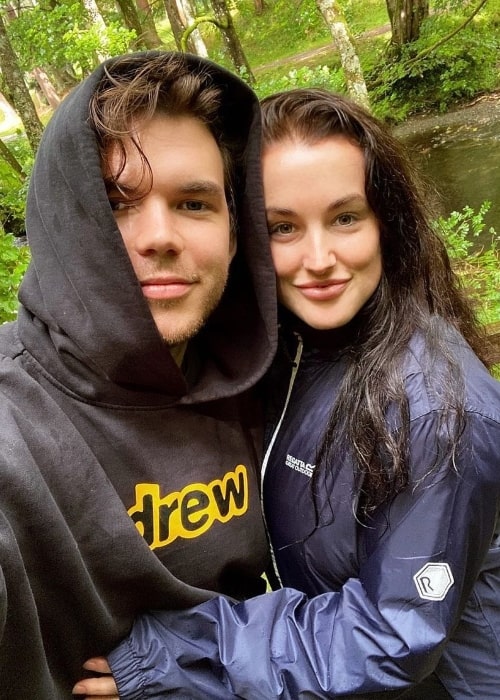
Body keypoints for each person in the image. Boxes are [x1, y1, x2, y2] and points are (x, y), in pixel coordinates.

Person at [77, 88, 500, 699]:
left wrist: (183, 656)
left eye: (346, 217)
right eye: (282, 227)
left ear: (388, 221)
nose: (319, 258)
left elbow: (392, 634)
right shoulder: (290, 347)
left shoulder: (439, 411)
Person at [0, 50, 277, 698]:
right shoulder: (16, 428)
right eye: (117, 203)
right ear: (62, 225)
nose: (160, 235)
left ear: (237, 234)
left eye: (194, 203)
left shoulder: (275, 377)